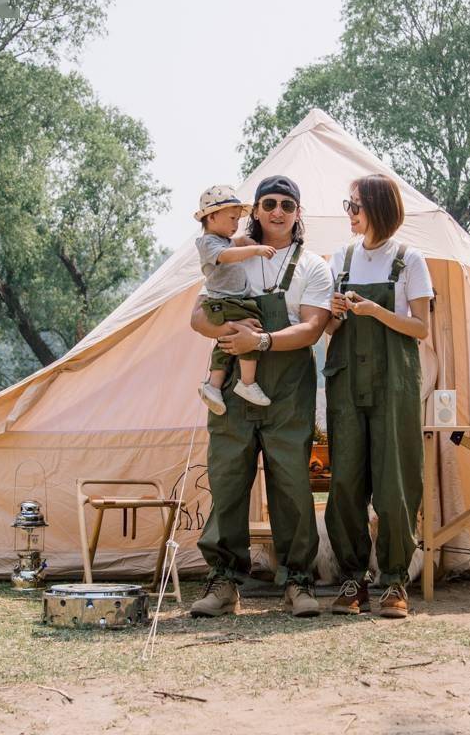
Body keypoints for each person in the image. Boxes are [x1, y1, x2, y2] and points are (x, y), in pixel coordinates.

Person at [188, 175, 333, 618]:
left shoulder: (314, 267)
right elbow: (197, 316)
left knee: (290, 482)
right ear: (254, 209)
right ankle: (224, 583)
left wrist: (264, 342)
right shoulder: (230, 254)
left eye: (287, 205)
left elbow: (312, 327)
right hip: (234, 377)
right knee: (228, 478)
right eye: (268, 203)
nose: (277, 212)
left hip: (288, 382)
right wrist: (230, 332)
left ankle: (298, 582)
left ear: (298, 214)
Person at [324, 173, 432, 618]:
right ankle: (353, 580)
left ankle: (393, 581)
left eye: (355, 206)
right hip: (347, 381)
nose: (348, 214)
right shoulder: (341, 258)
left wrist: (376, 311)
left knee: (395, 484)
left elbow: (421, 328)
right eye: (347, 205)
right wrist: (333, 312)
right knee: (346, 483)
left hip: (394, 383)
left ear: (378, 208)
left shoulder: (409, 260)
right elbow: (328, 329)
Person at [193, 184, 275, 415]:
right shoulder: (208, 243)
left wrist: (246, 241)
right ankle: (247, 382)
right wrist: (255, 251)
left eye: (238, 219)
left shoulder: (224, 240)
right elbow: (226, 255)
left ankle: (214, 384)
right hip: (226, 301)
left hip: (230, 302)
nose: (235, 224)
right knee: (250, 330)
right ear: (212, 216)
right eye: (231, 218)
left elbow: (235, 243)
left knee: (226, 344)